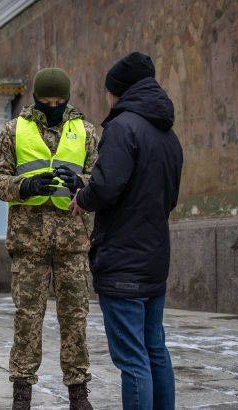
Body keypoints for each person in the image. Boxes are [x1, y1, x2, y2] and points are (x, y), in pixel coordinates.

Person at [70, 52, 183, 409]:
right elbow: (170, 197)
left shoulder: (122, 127)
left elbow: (106, 186)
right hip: (154, 257)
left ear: (119, 91)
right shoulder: (168, 136)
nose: (108, 99)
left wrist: (82, 198)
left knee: (132, 360)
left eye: (109, 92)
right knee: (155, 350)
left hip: (122, 260)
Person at [0, 68, 99, 409]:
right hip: (28, 244)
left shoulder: (86, 132)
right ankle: (22, 395)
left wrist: (81, 182)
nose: (52, 106)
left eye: (59, 101)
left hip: (73, 244)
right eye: (46, 101)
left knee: (75, 319)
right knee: (27, 320)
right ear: (35, 99)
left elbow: (104, 179)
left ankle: (78, 395)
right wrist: (24, 187)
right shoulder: (13, 131)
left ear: (67, 99)